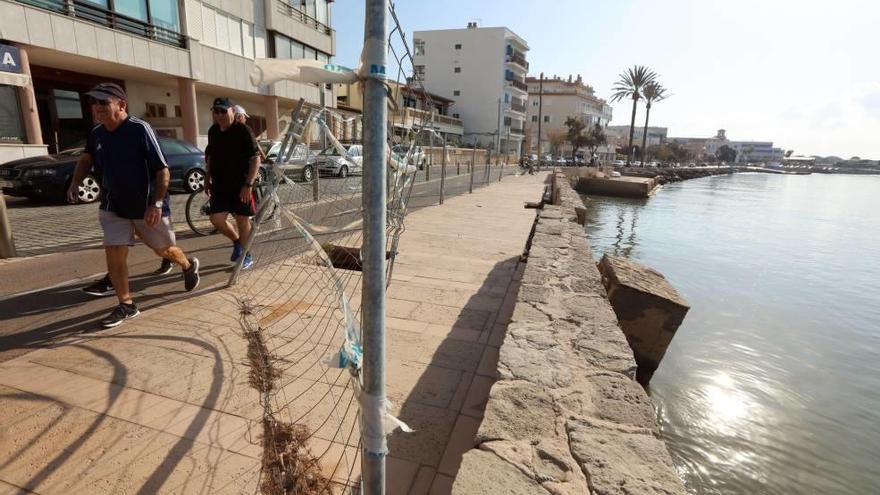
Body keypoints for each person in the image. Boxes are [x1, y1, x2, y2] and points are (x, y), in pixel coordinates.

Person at [69, 82, 200, 327]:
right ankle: (126, 304)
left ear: (121, 105)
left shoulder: (140, 129)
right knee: (114, 251)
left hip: (146, 205)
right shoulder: (97, 132)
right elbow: (86, 159)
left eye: (103, 102)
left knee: (164, 250)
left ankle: (187, 264)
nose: (97, 107)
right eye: (94, 102)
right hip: (113, 204)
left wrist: (157, 203)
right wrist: (76, 182)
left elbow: (162, 170)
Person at [205, 97, 261, 270]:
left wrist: (248, 184)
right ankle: (237, 242)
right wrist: (207, 178)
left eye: (223, 111)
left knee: (242, 220)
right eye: (216, 111)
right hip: (220, 186)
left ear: (232, 111)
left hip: (241, 186)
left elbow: (255, 158)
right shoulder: (213, 131)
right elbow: (211, 157)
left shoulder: (243, 130)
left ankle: (246, 255)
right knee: (216, 219)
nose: (220, 115)